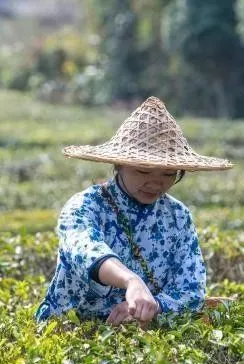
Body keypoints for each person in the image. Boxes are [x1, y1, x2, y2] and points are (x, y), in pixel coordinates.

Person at [36, 97, 233, 327]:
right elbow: (85, 251)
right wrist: (131, 281)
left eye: (168, 174)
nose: (155, 183)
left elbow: (191, 290)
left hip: (140, 335)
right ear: (119, 164)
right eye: (143, 171)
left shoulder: (178, 216)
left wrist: (152, 306)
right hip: (71, 331)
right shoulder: (84, 206)